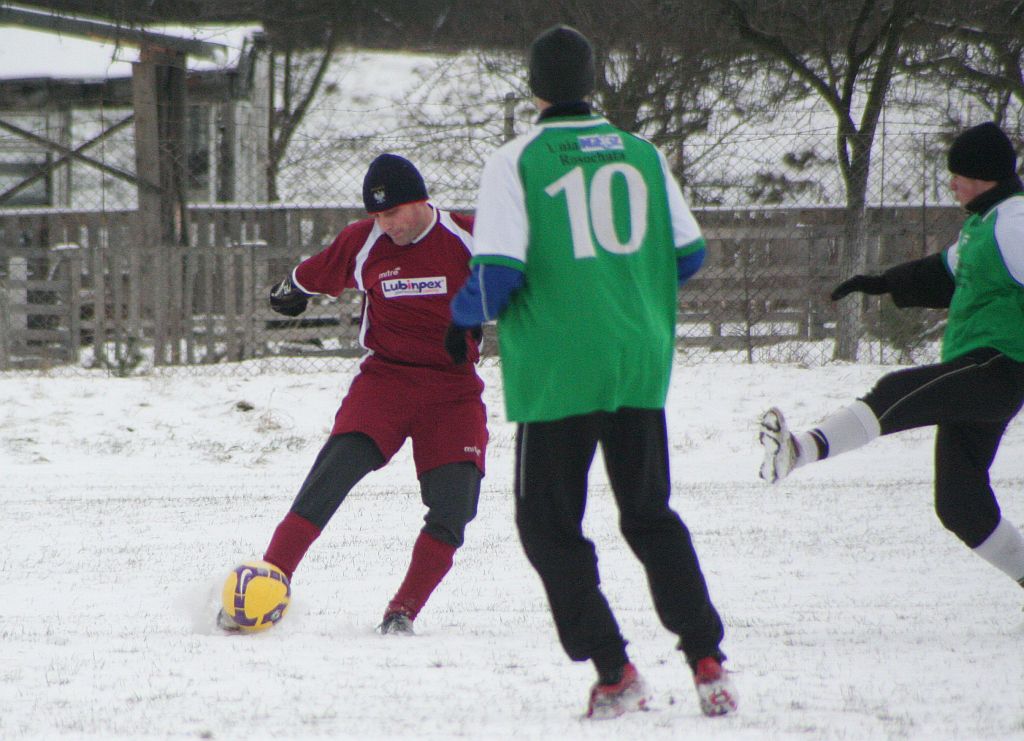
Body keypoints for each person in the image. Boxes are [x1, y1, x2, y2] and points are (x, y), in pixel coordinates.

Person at [449, 25, 737, 719]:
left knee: (547, 525)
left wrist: (457, 319)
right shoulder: (641, 154)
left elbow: (498, 274)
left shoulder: (516, 160)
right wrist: (623, 283)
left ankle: (615, 669)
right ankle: (707, 659)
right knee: (649, 513)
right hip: (637, 360)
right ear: (594, 81)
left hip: (559, 368)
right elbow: (690, 254)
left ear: (535, 86)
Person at [219, 153, 488, 636]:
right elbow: (315, 273)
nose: (387, 226)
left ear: (421, 201)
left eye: (394, 214)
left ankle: (401, 612)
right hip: (386, 381)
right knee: (334, 469)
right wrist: (290, 289)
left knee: (454, 505)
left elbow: (521, 275)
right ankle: (267, 581)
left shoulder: (469, 236)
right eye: (378, 216)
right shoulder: (364, 242)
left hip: (452, 390)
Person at [759, 121, 1024, 598]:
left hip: (1001, 366)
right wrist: (879, 282)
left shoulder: (1015, 221)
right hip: (980, 369)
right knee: (960, 506)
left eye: (957, 173)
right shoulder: (984, 224)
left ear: (983, 174)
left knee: (896, 392)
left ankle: (799, 450)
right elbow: (945, 274)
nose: (951, 183)